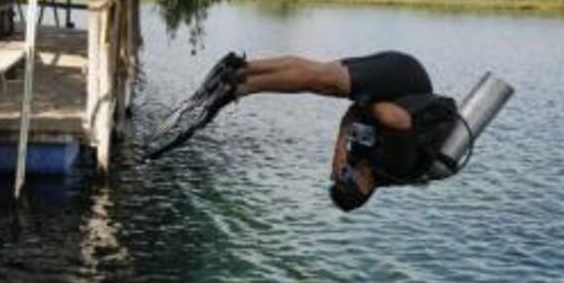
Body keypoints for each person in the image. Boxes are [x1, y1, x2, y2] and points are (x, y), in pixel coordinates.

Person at [176, 50, 460, 212]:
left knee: (316, 78)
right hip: (408, 78)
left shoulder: (360, 158)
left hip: (392, 86)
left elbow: (354, 113)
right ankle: (238, 87)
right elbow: (398, 119)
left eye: (341, 176)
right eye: (348, 180)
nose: (347, 171)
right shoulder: (393, 166)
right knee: (321, 79)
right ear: (365, 189)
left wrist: (339, 147)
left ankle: (240, 68)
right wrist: (367, 104)